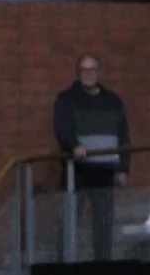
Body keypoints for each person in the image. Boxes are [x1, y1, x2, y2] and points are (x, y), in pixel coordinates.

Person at [53, 55, 131, 262]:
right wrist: (73, 146)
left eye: (92, 69)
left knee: (104, 222)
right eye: (84, 70)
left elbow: (124, 136)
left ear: (98, 72)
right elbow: (62, 129)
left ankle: (103, 264)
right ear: (78, 73)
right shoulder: (66, 99)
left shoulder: (113, 101)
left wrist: (123, 168)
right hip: (78, 171)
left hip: (105, 171)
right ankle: (63, 264)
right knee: (71, 220)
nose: (88, 73)